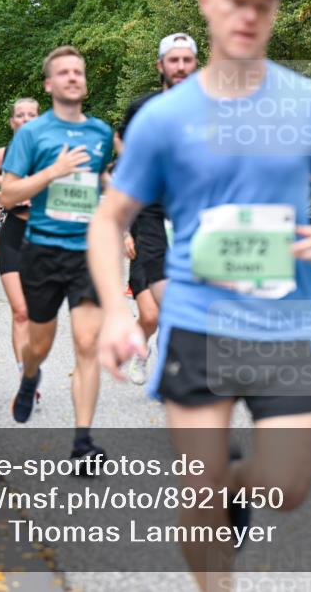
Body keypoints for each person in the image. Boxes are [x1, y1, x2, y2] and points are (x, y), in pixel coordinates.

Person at [88, 0, 311, 590]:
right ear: (208, 3)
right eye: (236, 1)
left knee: (287, 488)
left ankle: (236, 487)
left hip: (279, 328)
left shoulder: (308, 103)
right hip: (197, 322)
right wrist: (117, 312)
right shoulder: (164, 118)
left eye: (263, 4)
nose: (249, 15)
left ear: (275, 12)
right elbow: (108, 219)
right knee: (199, 497)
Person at [1, 45, 114, 468]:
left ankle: (83, 443)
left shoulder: (101, 133)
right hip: (43, 250)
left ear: (85, 82)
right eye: (64, 72)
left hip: (88, 252)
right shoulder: (32, 134)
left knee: (87, 343)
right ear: (49, 84)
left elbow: (100, 182)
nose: (72, 77)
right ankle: (30, 376)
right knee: (39, 345)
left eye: (78, 72)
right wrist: (53, 172)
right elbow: (7, 194)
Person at [113, 32, 199, 383]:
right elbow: (120, 140)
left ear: (195, 64)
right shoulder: (143, 107)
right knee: (153, 312)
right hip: (150, 213)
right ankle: (153, 354)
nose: (180, 66)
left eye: (187, 60)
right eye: (173, 60)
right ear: (160, 65)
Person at [0, 97, 40, 370]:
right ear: (12, 122)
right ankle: (25, 376)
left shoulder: (53, 153)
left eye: (31, 115)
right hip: (13, 234)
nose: (25, 119)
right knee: (21, 311)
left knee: (39, 313)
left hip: (44, 235)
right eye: (20, 115)